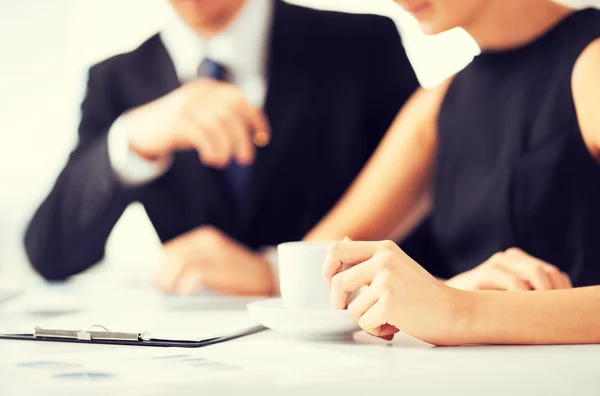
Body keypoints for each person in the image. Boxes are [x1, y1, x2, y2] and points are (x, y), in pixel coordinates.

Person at [24, 0, 419, 296]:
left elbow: (429, 206)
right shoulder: (116, 80)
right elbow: (50, 252)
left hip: (351, 338)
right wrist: (132, 138)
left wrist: (274, 273)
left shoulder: (364, 44)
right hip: (194, 349)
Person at [308, 0, 600, 345]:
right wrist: (449, 291)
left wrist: (461, 309)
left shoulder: (591, 65)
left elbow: (456, 309)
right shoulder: (439, 102)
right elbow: (317, 263)